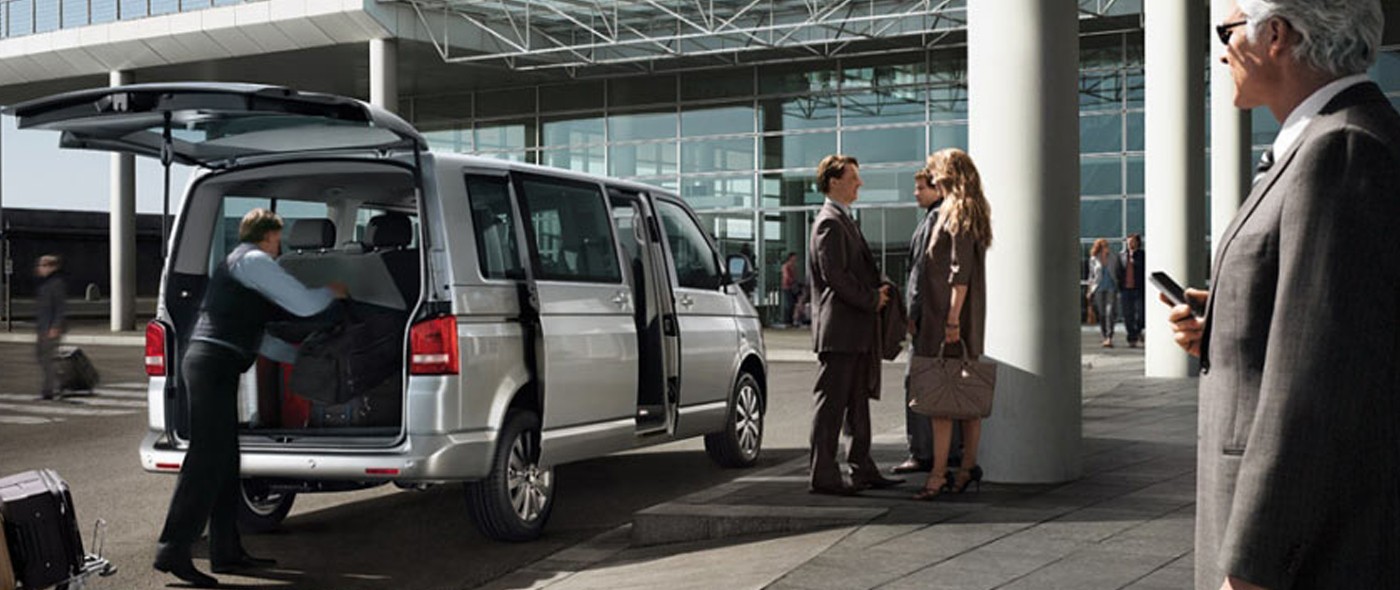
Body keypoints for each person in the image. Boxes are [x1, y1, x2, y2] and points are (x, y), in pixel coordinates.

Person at [1166, 1, 1398, 588]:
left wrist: (1253, 568)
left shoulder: (1340, 148)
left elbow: (1315, 389)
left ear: (1275, 34)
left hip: (1298, 553)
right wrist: (1223, 324)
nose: (1220, 51)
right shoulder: (1329, 140)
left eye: (1226, 31)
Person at [154, 209, 348, 587]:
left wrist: (305, 360)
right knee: (206, 460)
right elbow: (305, 304)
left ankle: (226, 552)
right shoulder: (255, 260)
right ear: (268, 236)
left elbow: (259, 337)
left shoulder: (243, 268)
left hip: (217, 365)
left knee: (227, 460)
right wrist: (332, 293)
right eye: (278, 238)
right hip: (211, 366)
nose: (281, 247)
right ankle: (173, 549)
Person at [807, 154, 900, 495]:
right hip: (840, 333)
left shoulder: (843, 219)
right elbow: (836, 277)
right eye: (853, 178)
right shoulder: (829, 222)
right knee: (831, 406)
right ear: (834, 182)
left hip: (855, 331)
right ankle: (824, 475)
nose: (859, 183)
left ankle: (862, 468)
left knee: (857, 404)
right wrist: (872, 299)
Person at [910, 148, 992, 502]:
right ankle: (965, 468)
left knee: (941, 400)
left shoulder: (955, 211)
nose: (929, 178)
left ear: (945, 174)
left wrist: (952, 321)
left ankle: (939, 475)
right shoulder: (968, 208)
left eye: (933, 171)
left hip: (948, 319)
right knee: (965, 397)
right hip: (959, 317)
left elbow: (961, 273)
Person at [891, 168, 943, 475]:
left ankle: (922, 452)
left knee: (917, 382)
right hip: (934, 317)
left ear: (938, 189)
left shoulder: (933, 221)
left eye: (921, 187)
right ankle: (940, 450)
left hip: (926, 320)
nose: (915, 192)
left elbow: (920, 272)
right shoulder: (936, 218)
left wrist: (911, 314)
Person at [33, 255, 66, 400]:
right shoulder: (45, 283)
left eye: (42, 265)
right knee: (42, 357)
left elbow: (60, 307)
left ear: (50, 267)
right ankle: (59, 380)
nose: (39, 268)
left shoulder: (56, 283)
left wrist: (55, 326)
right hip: (44, 327)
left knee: (47, 359)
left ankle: (49, 390)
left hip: (51, 329)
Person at [1086, 238, 1123, 348]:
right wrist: (1089, 290)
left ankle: (1109, 337)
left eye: (1107, 246)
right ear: (1100, 247)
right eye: (1105, 246)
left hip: (1111, 288)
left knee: (1109, 312)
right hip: (1098, 288)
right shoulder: (1093, 259)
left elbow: (1118, 272)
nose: (1107, 248)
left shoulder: (1114, 257)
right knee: (1102, 313)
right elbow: (1091, 275)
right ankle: (1104, 335)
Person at [1119, 234, 1145, 348]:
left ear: (1137, 243)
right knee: (1128, 315)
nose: (1129, 244)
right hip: (1126, 290)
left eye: (1132, 241)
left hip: (1139, 289)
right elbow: (1118, 272)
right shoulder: (1121, 256)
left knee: (1141, 314)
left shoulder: (1142, 255)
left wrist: (1134, 261)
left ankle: (1138, 330)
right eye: (1128, 242)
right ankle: (1132, 337)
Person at [780, 252, 800, 328]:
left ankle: (792, 320)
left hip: (792, 287)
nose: (795, 259)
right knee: (789, 304)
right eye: (794, 257)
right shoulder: (786, 266)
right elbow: (786, 276)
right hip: (787, 287)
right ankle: (787, 320)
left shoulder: (794, 266)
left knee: (794, 304)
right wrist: (792, 281)